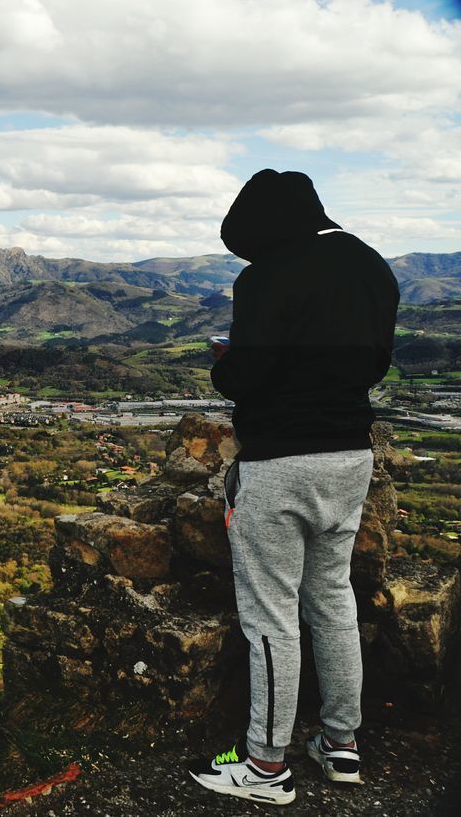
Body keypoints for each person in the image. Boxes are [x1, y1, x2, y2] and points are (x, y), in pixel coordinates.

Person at [185, 169, 400, 806]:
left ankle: (264, 766)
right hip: (349, 456)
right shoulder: (371, 266)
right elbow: (373, 363)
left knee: (269, 615)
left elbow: (248, 379)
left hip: (280, 461)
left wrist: (227, 362)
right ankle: (341, 745)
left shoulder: (267, 276)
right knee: (332, 597)